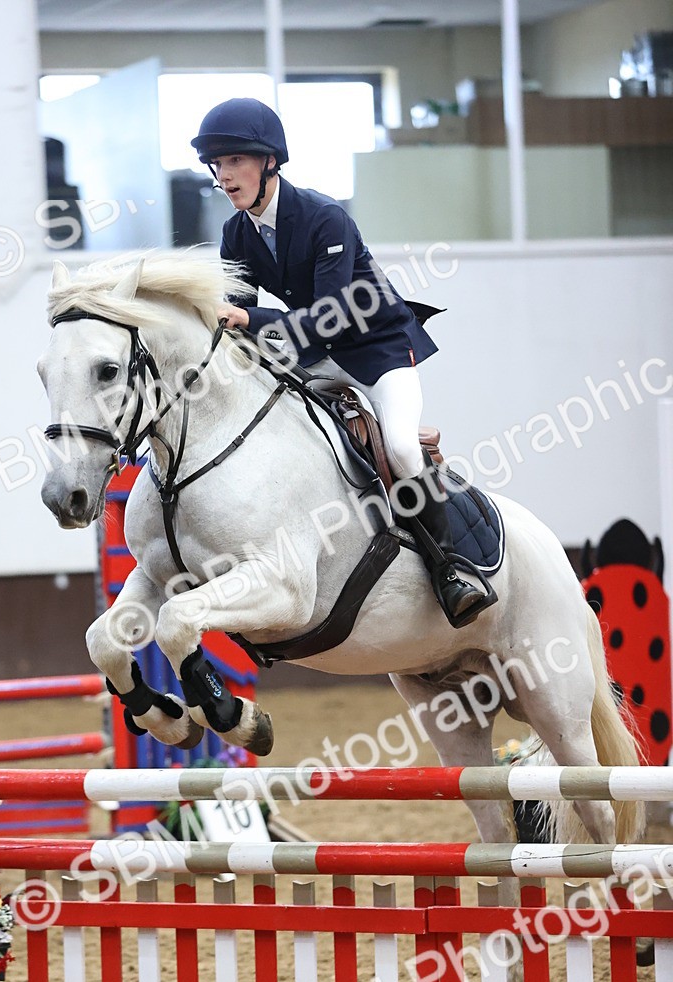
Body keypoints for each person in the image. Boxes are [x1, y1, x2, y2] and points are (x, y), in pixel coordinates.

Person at [191, 97, 485, 624]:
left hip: (378, 350)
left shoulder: (325, 219)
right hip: (316, 357)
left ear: (269, 163)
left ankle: (452, 566)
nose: (225, 174)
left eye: (235, 160)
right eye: (218, 163)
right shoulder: (236, 232)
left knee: (398, 444)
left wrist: (246, 321)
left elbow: (327, 319)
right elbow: (238, 309)